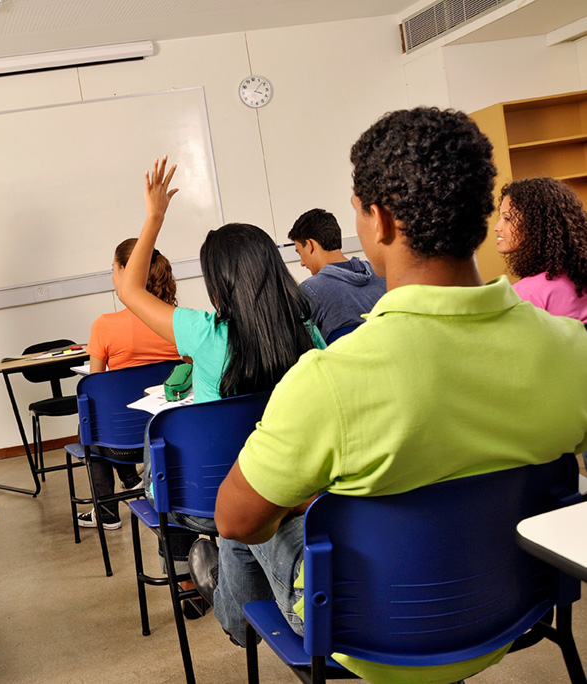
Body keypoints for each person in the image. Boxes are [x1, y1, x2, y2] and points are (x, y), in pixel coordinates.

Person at [189, 107, 587, 684]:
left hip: (369, 637)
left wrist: (311, 503)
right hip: (517, 610)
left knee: (250, 518)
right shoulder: (571, 349)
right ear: (481, 214)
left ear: (380, 220)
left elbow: (233, 519)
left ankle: (233, 618)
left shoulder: (329, 378)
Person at [117, 156, 324, 594]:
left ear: (219, 284)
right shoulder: (311, 336)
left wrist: (154, 216)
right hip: (300, 490)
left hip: (214, 499)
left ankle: (214, 589)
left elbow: (130, 289)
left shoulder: (205, 335)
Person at [77, 238, 181, 530]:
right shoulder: (176, 320)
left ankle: (107, 511)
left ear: (126, 271)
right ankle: (138, 483)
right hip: (167, 436)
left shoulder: (105, 325)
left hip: (119, 445)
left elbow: (94, 384)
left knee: (90, 423)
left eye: (113, 269)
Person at [494, 176, 587, 322]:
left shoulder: (525, 295)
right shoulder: (578, 276)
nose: (497, 227)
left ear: (534, 225)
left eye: (507, 219)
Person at [288, 208, 386, 338]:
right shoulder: (381, 275)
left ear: (310, 245)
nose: (302, 263)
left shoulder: (310, 290)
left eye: (300, 252)